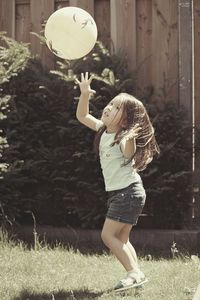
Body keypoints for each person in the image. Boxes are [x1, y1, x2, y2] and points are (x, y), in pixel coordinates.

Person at [75, 72, 160, 292]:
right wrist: (84, 95)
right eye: (110, 104)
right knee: (122, 237)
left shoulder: (122, 138)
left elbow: (128, 151)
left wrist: (128, 137)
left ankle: (133, 273)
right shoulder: (103, 130)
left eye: (116, 107)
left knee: (108, 235)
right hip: (125, 193)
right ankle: (137, 274)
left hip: (128, 193)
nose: (109, 107)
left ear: (125, 120)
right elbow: (83, 116)